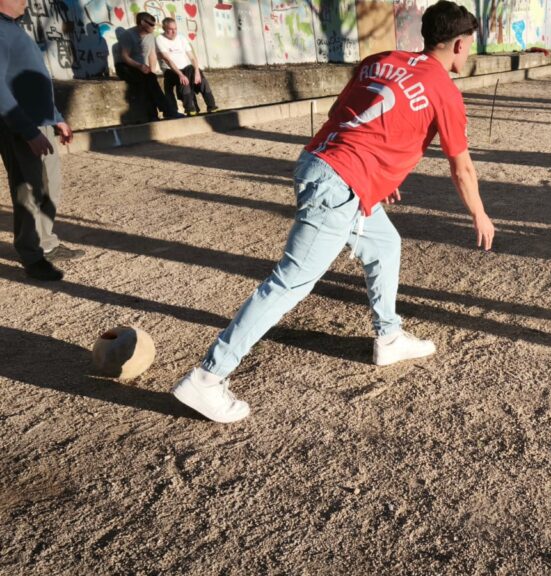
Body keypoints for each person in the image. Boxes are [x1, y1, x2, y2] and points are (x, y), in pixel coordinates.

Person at [171, 0, 496, 423]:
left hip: (324, 165)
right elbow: (462, 167)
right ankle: (208, 378)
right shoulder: (445, 91)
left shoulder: (379, 61)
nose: (468, 53)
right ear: (457, 43)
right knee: (290, 283)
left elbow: (347, 116)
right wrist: (479, 214)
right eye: (468, 45)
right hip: (339, 182)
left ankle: (389, 336)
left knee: (384, 244)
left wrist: (378, 176)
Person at [0, 0, 82, 281]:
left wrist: (56, 116)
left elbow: (33, 82)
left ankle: (46, 243)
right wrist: (27, 130)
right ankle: (31, 254)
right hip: (22, 127)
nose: (25, 1)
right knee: (29, 189)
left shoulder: (13, 28)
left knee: (49, 185)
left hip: (41, 122)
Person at [114, 12, 179, 121]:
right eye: (151, 24)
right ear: (142, 23)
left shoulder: (150, 36)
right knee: (144, 81)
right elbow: (125, 57)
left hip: (140, 67)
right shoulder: (128, 35)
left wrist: (151, 71)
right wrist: (140, 66)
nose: (154, 27)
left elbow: (152, 55)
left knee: (150, 79)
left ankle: (159, 114)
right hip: (125, 66)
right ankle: (162, 113)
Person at [155, 18, 217, 116]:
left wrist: (197, 72)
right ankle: (190, 108)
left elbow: (192, 57)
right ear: (164, 28)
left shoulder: (181, 38)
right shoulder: (159, 39)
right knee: (184, 78)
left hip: (186, 69)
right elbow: (167, 59)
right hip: (170, 70)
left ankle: (212, 106)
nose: (174, 32)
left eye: (175, 29)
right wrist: (180, 75)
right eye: (170, 29)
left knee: (199, 76)